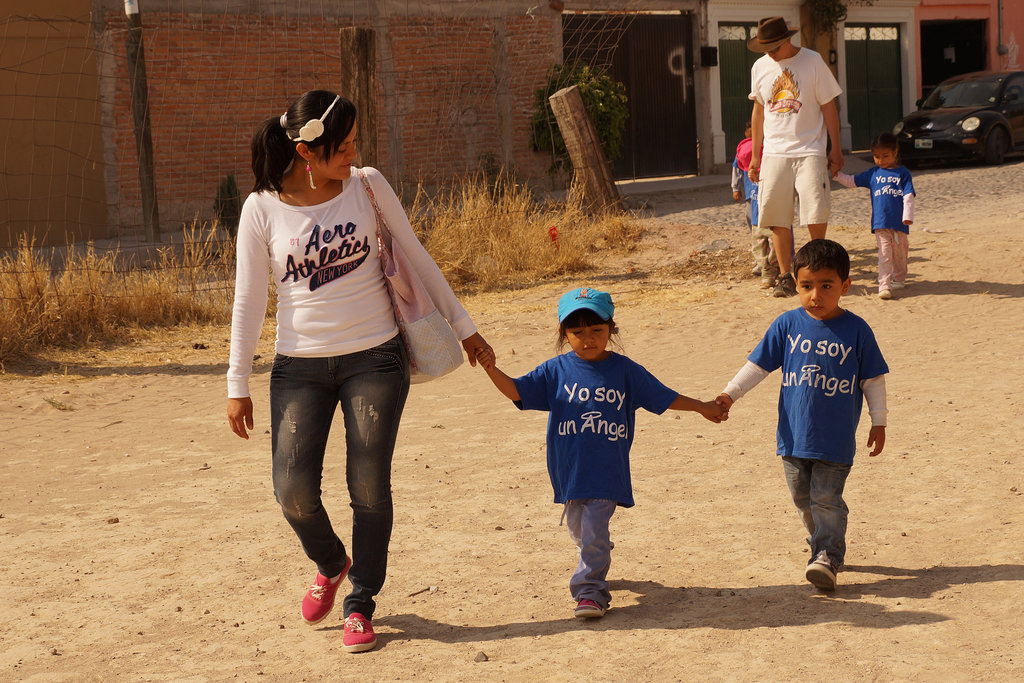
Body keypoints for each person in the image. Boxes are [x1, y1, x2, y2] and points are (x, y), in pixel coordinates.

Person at [226, 90, 492, 653]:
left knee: (368, 485)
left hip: (375, 357)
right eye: (340, 146)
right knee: (292, 489)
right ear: (304, 150)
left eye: (353, 143)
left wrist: (465, 326)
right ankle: (331, 562)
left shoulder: (367, 185)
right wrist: (236, 383)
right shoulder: (262, 209)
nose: (352, 153)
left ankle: (360, 601)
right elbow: (249, 301)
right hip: (298, 366)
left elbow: (416, 254)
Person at [476, 287, 726, 617]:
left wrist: (702, 407)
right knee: (581, 532)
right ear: (564, 334)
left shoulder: (625, 371)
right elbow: (517, 391)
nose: (588, 338)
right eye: (577, 332)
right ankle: (597, 552)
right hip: (569, 471)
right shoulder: (555, 371)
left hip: (607, 471)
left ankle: (590, 592)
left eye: (597, 330)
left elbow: (664, 396)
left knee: (593, 528)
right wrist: (491, 369)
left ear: (611, 329)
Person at [716, 239, 889, 591]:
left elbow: (873, 379)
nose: (816, 295)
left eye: (826, 286)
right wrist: (729, 394)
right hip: (793, 436)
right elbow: (758, 366)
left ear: (845, 286)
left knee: (824, 497)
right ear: (796, 283)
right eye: (807, 286)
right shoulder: (786, 325)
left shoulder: (857, 331)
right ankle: (824, 540)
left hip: (836, 439)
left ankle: (828, 553)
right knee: (802, 498)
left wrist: (879, 420)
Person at [747, 16, 844, 298]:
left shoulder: (813, 61)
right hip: (775, 152)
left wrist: (835, 149)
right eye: (765, 48)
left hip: (810, 149)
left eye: (774, 47)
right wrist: (756, 155)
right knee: (777, 216)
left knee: (814, 212)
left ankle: (820, 269)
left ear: (787, 40)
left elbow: (829, 106)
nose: (770, 53)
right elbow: (758, 112)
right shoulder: (760, 66)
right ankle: (788, 277)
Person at [833, 132, 915, 300]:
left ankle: (899, 278)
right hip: (880, 223)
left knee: (900, 253)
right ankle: (884, 285)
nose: (881, 160)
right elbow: (851, 181)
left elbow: (908, 195)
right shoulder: (873, 174)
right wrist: (836, 175)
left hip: (899, 223)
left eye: (885, 156)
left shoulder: (903, 173)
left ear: (895, 152)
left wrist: (908, 216)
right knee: (884, 253)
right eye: (877, 156)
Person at [732, 120, 781, 288]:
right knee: (758, 244)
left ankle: (776, 268)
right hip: (754, 211)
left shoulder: (770, 149)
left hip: (773, 213)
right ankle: (765, 268)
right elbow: (737, 170)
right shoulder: (745, 151)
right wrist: (735, 188)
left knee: (776, 244)